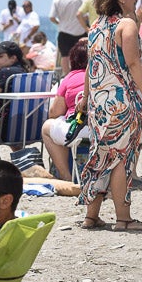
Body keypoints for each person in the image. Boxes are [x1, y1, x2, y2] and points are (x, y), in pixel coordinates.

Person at [78, 0, 142, 232]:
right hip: (123, 100)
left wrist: (86, 98)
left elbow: (92, 66)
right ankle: (123, 218)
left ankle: (91, 216)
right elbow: (134, 63)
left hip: (99, 103)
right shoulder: (126, 26)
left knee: (101, 154)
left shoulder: (96, 26)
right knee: (123, 158)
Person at [41, 40, 88, 180]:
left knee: (47, 127)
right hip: (106, 128)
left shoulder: (70, 78)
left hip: (82, 128)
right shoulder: (105, 76)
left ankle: (66, 176)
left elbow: (55, 112)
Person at [49, 0, 87, 74]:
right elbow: (85, 16)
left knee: (65, 56)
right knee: (81, 55)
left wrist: (59, 23)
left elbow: (52, 17)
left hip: (64, 32)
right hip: (79, 32)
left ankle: (67, 77)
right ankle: (82, 75)